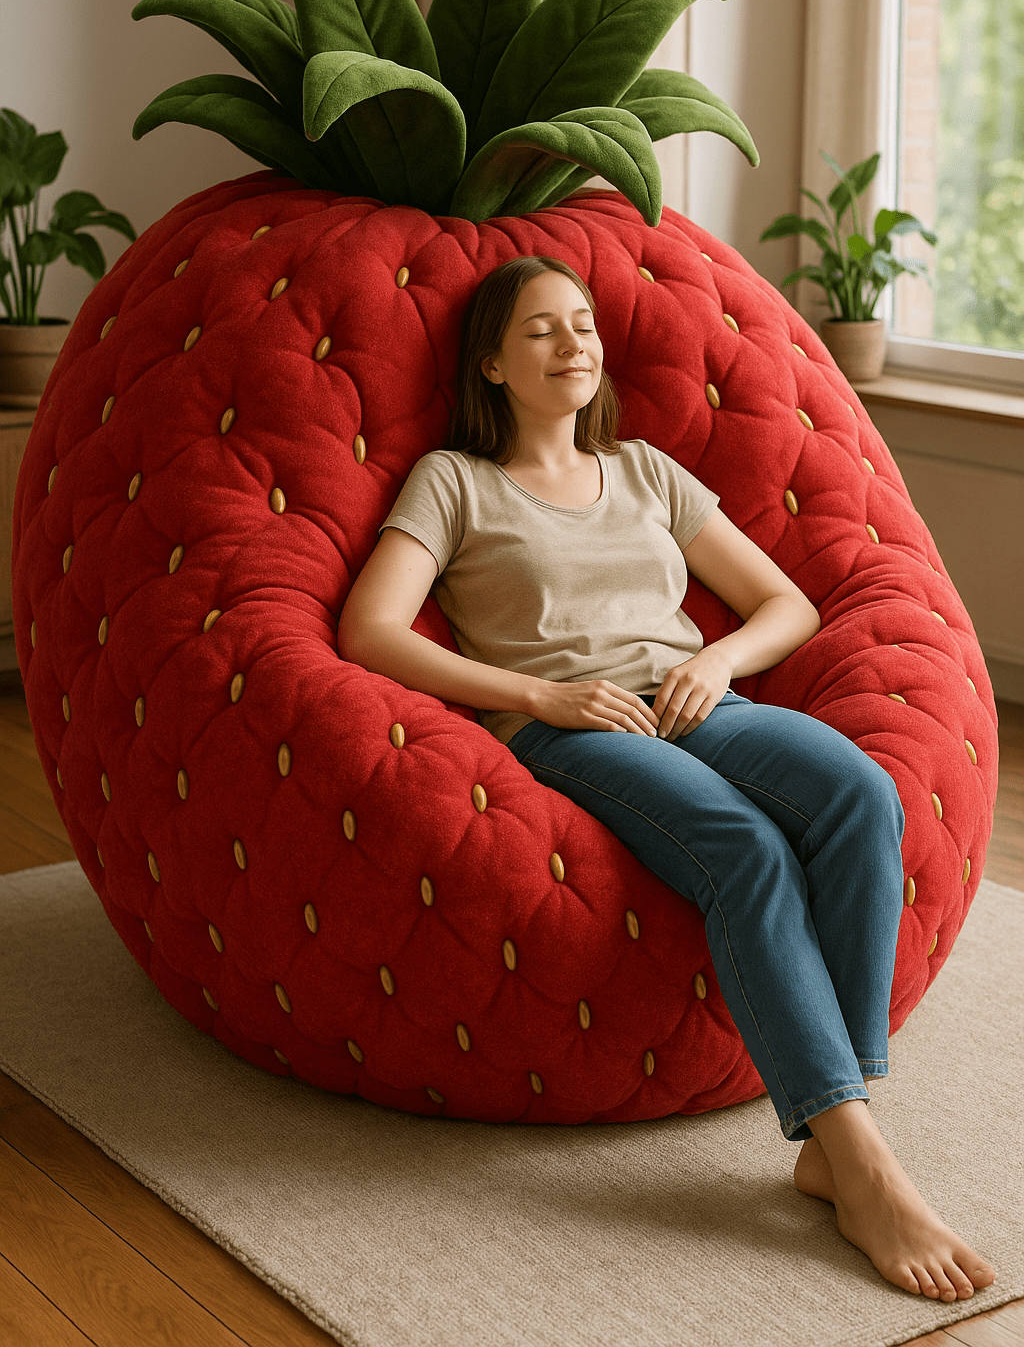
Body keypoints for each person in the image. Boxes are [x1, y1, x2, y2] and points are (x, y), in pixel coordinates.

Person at [340, 254, 996, 1303]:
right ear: (493, 365)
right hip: (569, 727)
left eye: (584, 326)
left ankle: (839, 1130)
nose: (575, 345)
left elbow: (785, 604)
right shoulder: (453, 482)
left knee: (862, 796)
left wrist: (713, 660)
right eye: (545, 330)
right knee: (744, 849)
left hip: (697, 697)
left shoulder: (645, 470)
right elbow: (368, 630)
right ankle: (861, 1162)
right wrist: (537, 697)